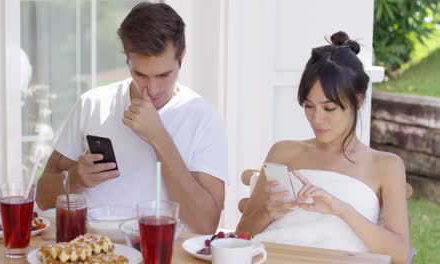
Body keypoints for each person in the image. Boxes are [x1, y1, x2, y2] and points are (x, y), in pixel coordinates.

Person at [36, 2, 228, 234]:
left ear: (182, 57)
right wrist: (76, 178)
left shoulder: (203, 119)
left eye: (164, 75)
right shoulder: (93, 104)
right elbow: (43, 197)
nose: (152, 89)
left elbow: (206, 224)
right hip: (92, 251)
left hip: (162, 253)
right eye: (140, 74)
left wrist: (159, 138)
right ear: (128, 60)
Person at [236, 32, 410, 263]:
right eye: (309, 106)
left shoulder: (385, 165)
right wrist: (267, 212)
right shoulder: (283, 152)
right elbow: (240, 236)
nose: (316, 119)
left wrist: (342, 210)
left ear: (358, 101)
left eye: (329, 109)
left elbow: (401, 254)